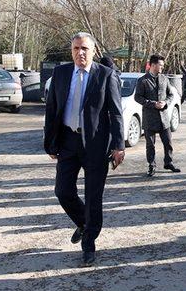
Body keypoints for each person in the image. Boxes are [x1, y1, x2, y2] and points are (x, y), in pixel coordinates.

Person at [44, 32, 125, 267]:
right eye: (76, 48)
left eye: (85, 49)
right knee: (63, 191)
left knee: (93, 197)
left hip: (96, 146)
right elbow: (52, 109)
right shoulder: (60, 73)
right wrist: (50, 142)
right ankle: (84, 224)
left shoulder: (105, 75)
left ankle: (88, 244)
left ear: (93, 51)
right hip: (68, 141)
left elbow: (116, 113)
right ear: (71, 51)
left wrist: (119, 145)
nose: (80, 53)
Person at [134, 54, 181, 177]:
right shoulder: (142, 80)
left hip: (164, 118)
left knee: (168, 142)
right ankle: (151, 165)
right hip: (150, 117)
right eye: (160, 65)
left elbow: (171, 95)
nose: (162, 67)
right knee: (150, 144)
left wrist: (166, 103)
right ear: (153, 65)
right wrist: (152, 104)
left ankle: (168, 162)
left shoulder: (164, 79)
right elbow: (137, 97)